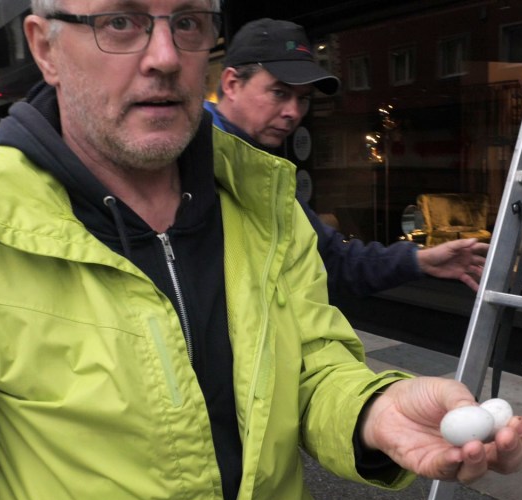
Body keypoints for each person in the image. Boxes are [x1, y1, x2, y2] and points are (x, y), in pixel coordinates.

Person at [0, 1, 522, 500]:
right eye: (119, 21)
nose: (163, 55)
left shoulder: (268, 208)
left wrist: (375, 407)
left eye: (186, 22)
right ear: (45, 47)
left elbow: (312, 365)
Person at [205, 18, 489, 298]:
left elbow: (332, 259)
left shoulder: (266, 174)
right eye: (279, 93)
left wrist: (419, 260)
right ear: (232, 84)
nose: (293, 112)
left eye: (303, 98)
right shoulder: (189, 165)